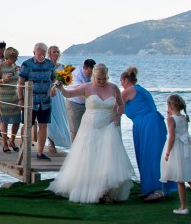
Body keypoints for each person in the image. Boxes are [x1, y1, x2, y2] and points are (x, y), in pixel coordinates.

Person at [50, 63, 133, 204]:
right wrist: (60, 87)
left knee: (107, 159)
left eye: (104, 79)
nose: (101, 82)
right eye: (99, 79)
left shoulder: (113, 88)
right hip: (90, 128)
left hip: (108, 127)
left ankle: (105, 191)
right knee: (89, 158)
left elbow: (121, 104)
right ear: (94, 76)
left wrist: (118, 117)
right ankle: (90, 189)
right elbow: (69, 94)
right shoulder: (87, 87)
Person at [120, 65, 177, 201]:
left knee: (152, 156)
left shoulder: (129, 91)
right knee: (144, 156)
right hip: (143, 125)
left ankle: (159, 190)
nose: (121, 84)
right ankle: (150, 188)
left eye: (121, 81)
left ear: (126, 80)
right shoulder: (140, 90)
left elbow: (115, 104)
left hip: (148, 124)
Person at [161, 94, 191, 214]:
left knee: (180, 180)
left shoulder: (171, 119)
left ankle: (183, 207)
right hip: (187, 147)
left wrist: (167, 152)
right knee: (190, 179)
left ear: (170, 106)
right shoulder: (184, 117)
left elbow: (171, 137)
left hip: (177, 148)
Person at [17, 43, 58, 160]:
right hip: (30, 101)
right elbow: (20, 84)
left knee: (43, 125)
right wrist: (20, 99)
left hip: (45, 101)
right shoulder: (26, 64)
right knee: (28, 124)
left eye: (43, 54)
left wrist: (54, 87)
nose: (41, 57)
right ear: (34, 52)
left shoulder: (50, 64)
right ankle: (24, 145)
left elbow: (54, 79)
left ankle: (40, 152)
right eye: (39, 54)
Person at [46, 46, 72, 153]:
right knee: (50, 119)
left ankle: (60, 140)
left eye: (57, 52)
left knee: (60, 117)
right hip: (49, 94)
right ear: (49, 53)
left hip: (59, 96)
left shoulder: (63, 67)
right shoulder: (46, 66)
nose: (56, 54)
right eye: (53, 52)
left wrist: (61, 83)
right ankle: (51, 143)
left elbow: (67, 82)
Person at [0, 46, 22, 153]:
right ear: (9, 57)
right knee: (5, 121)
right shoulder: (0, 66)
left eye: (16, 57)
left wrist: (20, 72)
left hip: (15, 96)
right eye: (14, 57)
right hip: (3, 96)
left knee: (17, 120)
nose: (16, 59)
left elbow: (20, 80)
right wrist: (4, 79)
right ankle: (5, 143)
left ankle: (12, 140)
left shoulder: (15, 66)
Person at [66, 59, 95, 139]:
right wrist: (92, 99)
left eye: (92, 73)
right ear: (84, 68)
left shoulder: (93, 74)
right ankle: (75, 150)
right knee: (75, 129)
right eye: (89, 73)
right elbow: (79, 90)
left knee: (87, 129)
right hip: (74, 103)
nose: (90, 75)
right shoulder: (77, 74)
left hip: (86, 103)